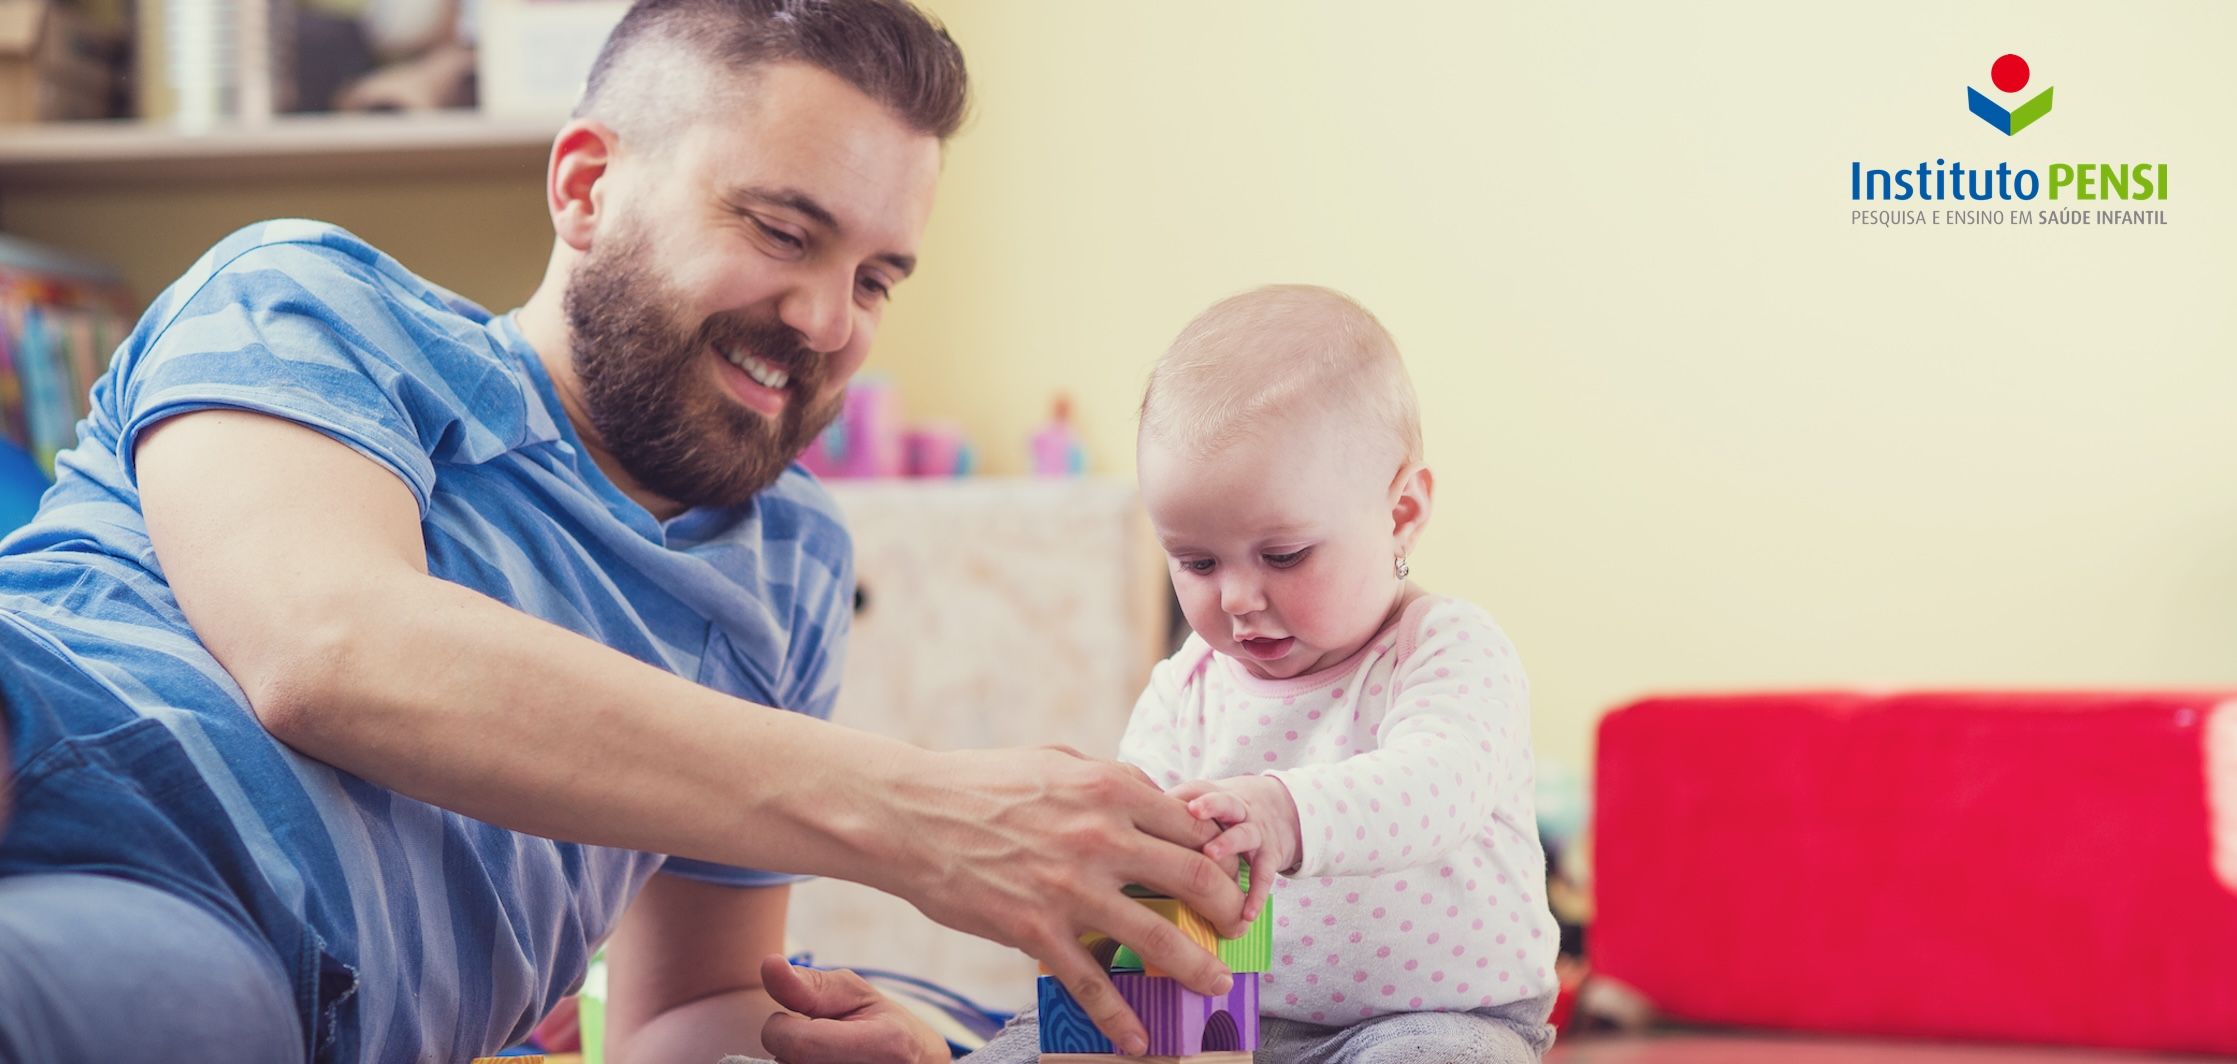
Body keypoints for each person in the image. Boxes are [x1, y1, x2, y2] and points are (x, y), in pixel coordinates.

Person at [0, 2, 1243, 1062]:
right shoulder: (311, 300)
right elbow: (328, 647)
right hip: (49, 744)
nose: (825, 321)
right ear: (588, 185)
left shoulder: (786, 563)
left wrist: (794, 1036)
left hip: (236, 966)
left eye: (874, 280)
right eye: (780, 231)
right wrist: (920, 812)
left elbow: (684, 1008)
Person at [954, 286, 1561, 1063]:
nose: (1237, 598)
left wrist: (1280, 812)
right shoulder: (1186, 686)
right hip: (1216, 1017)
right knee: (1033, 1046)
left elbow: (1435, 787)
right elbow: (1138, 842)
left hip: (1436, 1017)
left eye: (1283, 556)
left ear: (1400, 514)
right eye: (1196, 561)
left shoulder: (1445, 648)